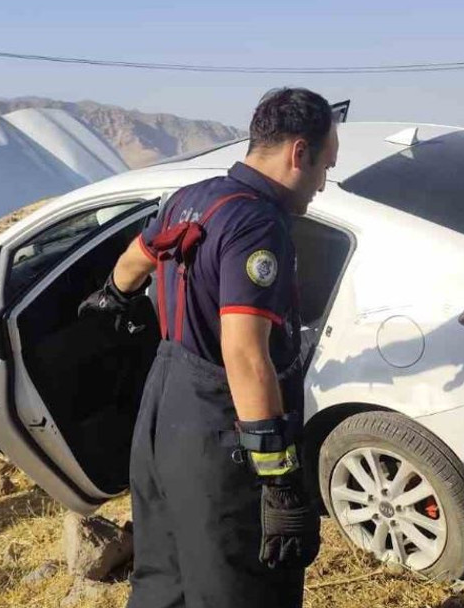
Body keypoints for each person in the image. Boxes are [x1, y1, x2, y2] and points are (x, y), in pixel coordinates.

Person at [78, 87, 339, 608]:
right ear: (298, 154)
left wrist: (115, 299)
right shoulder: (259, 223)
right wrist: (278, 475)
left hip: (162, 419)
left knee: (164, 580)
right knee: (239, 586)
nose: (322, 183)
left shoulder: (193, 197)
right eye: (324, 166)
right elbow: (244, 353)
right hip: (220, 435)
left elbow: (135, 259)